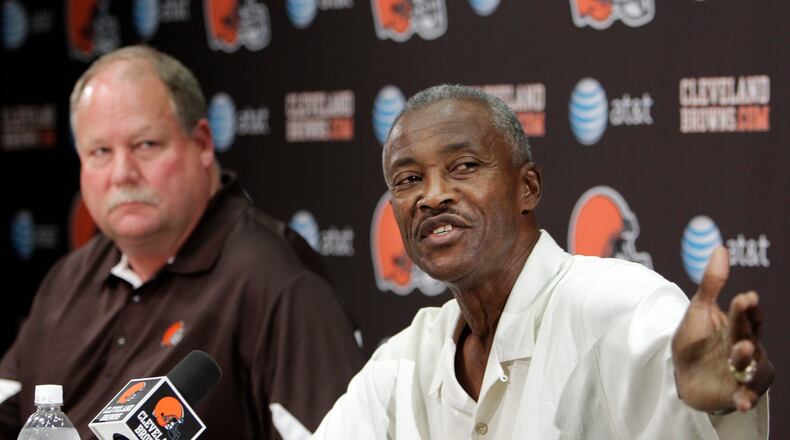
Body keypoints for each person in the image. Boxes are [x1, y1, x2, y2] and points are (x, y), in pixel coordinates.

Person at [313, 84, 774, 439]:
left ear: (527, 188)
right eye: (409, 178)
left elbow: (698, 388)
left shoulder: (616, 306)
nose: (433, 196)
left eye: (464, 166)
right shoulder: (408, 357)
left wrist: (718, 394)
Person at [0, 45, 364, 439]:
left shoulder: (277, 281)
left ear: (203, 144)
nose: (122, 173)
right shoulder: (68, 278)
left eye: (146, 145)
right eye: (100, 151)